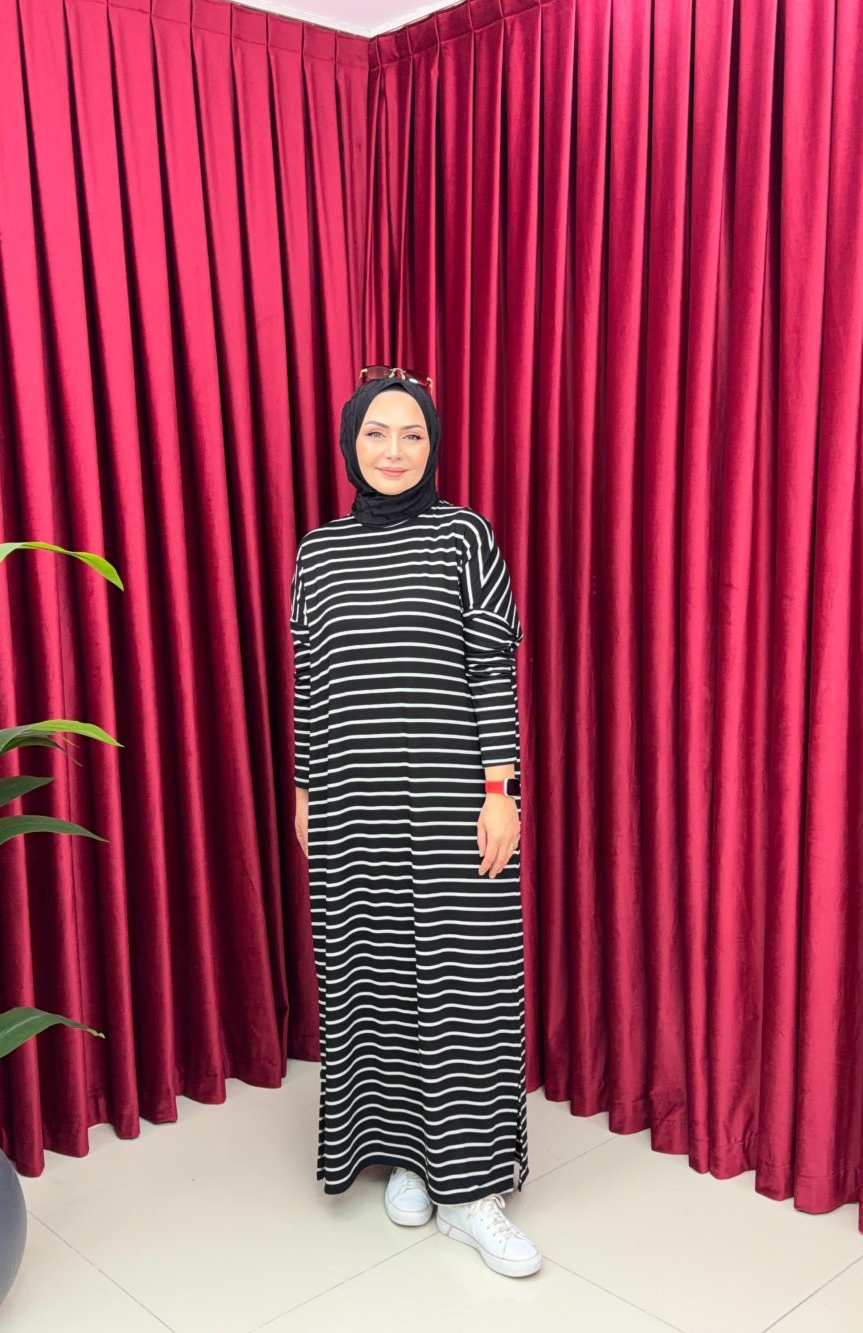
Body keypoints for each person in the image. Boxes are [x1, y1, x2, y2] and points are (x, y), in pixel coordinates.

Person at [289, 367, 541, 1279]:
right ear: (351, 442)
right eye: (376, 434)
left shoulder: (464, 536)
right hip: (350, 796)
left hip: (451, 796)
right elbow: (310, 679)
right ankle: (407, 1154)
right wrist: (305, 788)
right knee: (380, 969)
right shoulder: (318, 553)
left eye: (412, 435)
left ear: (432, 447)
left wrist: (501, 788)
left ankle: (472, 1192)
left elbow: (490, 668)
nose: (393, 451)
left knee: (466, 979)